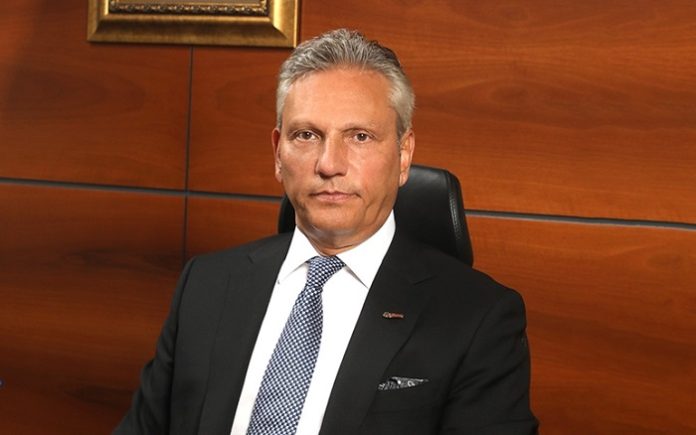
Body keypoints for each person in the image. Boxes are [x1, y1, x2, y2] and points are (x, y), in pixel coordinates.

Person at [115, 29, 538, 434]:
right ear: (278, 153)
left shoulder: (478, 318)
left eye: (360, 136)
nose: (329, 164)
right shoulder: (205, 285)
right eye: (306, 135)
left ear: (403, 154)